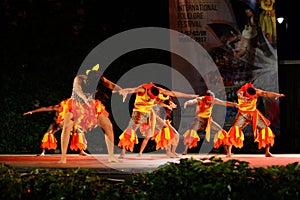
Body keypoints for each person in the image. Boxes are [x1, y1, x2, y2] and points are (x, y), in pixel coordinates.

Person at [57, 64, 124, 163]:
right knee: (67, 128)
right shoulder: (79, 79)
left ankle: (111, 156)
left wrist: (122, 91)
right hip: (75, 105)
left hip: (91, 105)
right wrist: (85, 99)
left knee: (108, 126)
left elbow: (112, 85)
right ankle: (63, 157)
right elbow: (78, 90)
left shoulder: (100, 79)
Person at [118, 82, 198, 158]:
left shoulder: (159, 90)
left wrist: (190, 96)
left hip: (150, 112)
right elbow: (132, 90)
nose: (150, 99)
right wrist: (124, 91)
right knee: (130, 131)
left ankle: (169, 152)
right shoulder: (142, 89)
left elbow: (173, 93)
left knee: (165, 127)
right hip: (139, 113)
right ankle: (123, 152)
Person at [226, 82, 284, 157]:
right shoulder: (241, 92)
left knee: (265, 129)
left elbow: (265, 93)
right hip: (243, 114)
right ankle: (229, 152)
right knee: (235, 130)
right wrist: (243, 98)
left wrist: (276, 95)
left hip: (254, 114)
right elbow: (239, 95)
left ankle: (267, 152)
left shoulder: (255, 91)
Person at [182, 90, 238, 155]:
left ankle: (226, 150)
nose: (210, 102)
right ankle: (185, 150)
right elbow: (192, 101)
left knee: (221, 131)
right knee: (191, 132)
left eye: (211, 100)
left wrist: (234, 104)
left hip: (208, 120)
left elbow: (223, 103)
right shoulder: (200, 99)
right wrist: (186, 103)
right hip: (199, 120)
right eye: (208, 100)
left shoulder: (214, 100)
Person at [23, 103, 88, 156]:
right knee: (48, 134)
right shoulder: (59, 107)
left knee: (80, 133)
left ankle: (81, 151)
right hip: (58, 124)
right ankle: (42, 152)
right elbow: (45, 108)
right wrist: (32, 111)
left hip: (70, 124)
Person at [150, 93, 180, 158]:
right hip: (158, 123)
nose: (162, 101)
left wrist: (169, 106)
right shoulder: (151, 104)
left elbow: (162, 104)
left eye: (162, 100)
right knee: (167, 136)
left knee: (176, 135)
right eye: (160, 99)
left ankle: (173, 152)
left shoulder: (160, 103)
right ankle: (168, 152)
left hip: (164, 121)